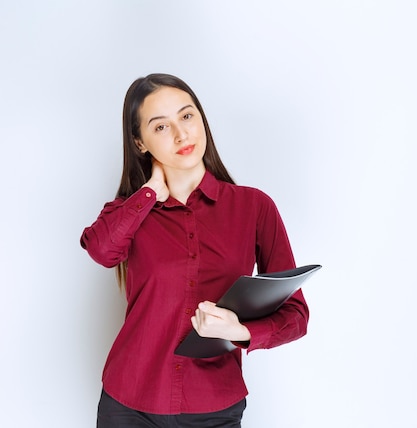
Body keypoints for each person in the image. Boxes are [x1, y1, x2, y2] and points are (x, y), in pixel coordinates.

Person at [80, 73, 309, 427]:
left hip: (214, 406)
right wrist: (152, 190)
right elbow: (101, 251)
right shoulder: (130, 210)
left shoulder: (254, 207)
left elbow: (295, 316)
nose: (180, 134)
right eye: (160, 127)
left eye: (187, 116)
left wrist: (240, 331)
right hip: (128, 404)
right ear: (140, 143)